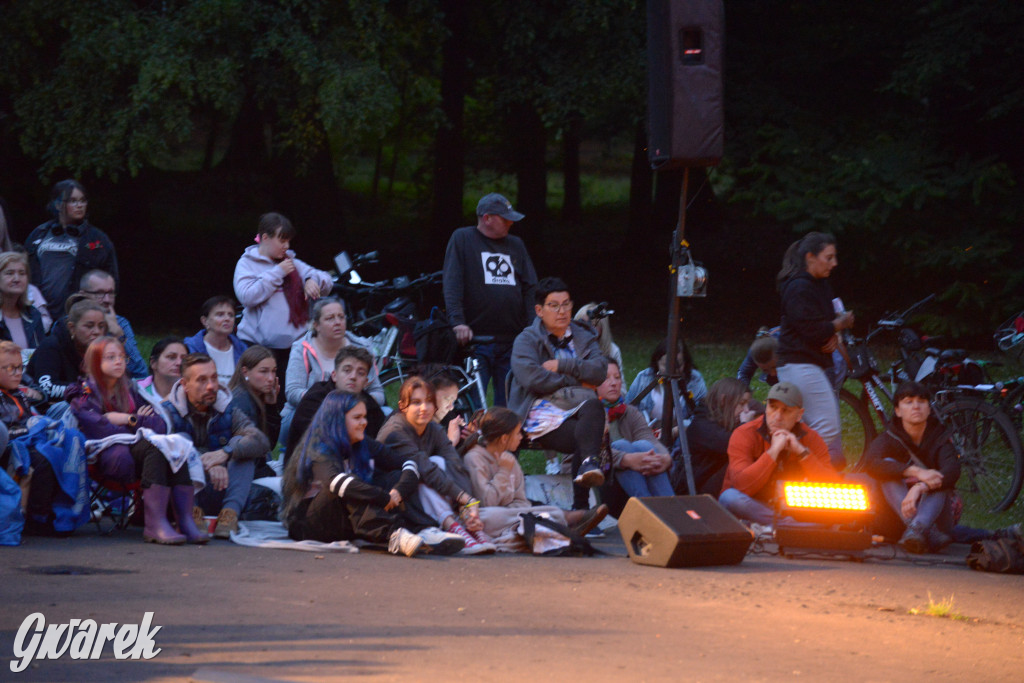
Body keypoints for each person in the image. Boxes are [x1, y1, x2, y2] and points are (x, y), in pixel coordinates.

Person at [281, 390, 464, 556]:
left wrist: (397, 491)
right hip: (311, 524)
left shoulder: (362, 443)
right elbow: (335, 482)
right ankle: (393, 535)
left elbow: (409, 465)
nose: (364, 423)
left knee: (392, 477)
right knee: (350, 485)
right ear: (338, 419)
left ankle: (422, 530)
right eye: (357, 417)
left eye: (365, 417)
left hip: (346, 521)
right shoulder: (320, 448)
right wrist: (383, 497)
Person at [508, 277, 608, 511]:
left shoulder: (583, 334)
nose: (562, 311)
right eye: (554, 305)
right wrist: (577, 382)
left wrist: (563, 366)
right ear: (539, 310)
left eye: (566, 304)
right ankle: (582, 507)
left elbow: (599, 371)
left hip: (579, 410)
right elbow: (533, 379)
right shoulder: (526, 340)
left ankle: (587, 471)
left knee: (592, 410)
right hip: (540, 415)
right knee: (589, 432)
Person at [463, 407, 609, 551]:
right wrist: (503, 471)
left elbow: (521, 500)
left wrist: (516, 512)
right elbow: (486, 502)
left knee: (551, 510)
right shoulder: (475, 458)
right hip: (486, 515)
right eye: (517, 433)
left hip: (509, 516)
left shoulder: (508, 459)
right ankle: (564, 523)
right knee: (490, 516)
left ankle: (551, 525)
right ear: (504, 439)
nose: (521, 437)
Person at [443, 192, 537, 407]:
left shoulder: (516, 245)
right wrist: (457, 322)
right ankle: (473, 439)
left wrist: (532, 326)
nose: (510, 223)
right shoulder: (463, 239)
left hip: (513, 339)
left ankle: (505, 440)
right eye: (505, 219)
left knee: (510, 403)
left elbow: (530, 287)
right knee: (475, 405)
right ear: (487, 218)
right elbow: (452, 283)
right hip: (477, 340)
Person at [162, 353, 270, 539]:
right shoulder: (167, 411)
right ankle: (190, 513)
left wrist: (226, 453)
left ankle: (230, 515)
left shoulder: (227, 407)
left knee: (241, 446)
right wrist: (208, 463)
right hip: (184, 493)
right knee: (179, 440)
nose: (211, 386)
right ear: (185, 385)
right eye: (202, 380)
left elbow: (260, 441)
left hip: (223, 486)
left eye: (214, 378)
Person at [376, 377, 490, 553]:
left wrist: (466, 506)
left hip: (419, 491)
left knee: (440, 462)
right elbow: (424, 468)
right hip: (392, 496)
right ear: (403, 406)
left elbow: (455, 464)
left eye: (429, 401)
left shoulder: (434, 429)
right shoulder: (395, 432)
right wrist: (465, 498)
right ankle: (453, 526)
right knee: (422, 470)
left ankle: (466, 524)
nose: (424, 408)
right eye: (416, 402)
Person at [775, 232, 855, 469]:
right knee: (827, 426)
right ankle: (802, 470)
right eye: (828, 258)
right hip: (799, 365)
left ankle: (796, 468)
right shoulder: (798, 287)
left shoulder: (818, 285)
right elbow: (810, 327)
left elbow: (820, 324)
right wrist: (838, 325)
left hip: (810, 363)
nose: (834, 263)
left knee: (811, 424)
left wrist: (831, 334)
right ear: (810, 257)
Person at [233, 212, 333, 396]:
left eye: (288, 241)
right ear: (265, 238)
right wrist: (277, 273)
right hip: (257, 347)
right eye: (282, 240)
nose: (286, 246)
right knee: (257, 397)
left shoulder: (290, 262)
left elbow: (326, 279)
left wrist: (312, 279)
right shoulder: (247, 264)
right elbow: (247, 296)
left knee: (285, 398)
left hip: (293, 349)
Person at [718, 382, 837, 528]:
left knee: (837, 509)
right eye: (773, 408)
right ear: (766, 407)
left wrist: (802, 453)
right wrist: (773, 451)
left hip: (792, 509)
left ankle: (780, 526)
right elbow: (742, 486)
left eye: (786, 411)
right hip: (752, 506)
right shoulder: (744, 433)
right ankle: (789, 527)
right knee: (730, 497)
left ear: (799, 415)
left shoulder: (811, 438)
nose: (777, 417)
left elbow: (832, 489)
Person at [861, 381, 961, 553]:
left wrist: (920, 487)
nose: (916, 407)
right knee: (889, 466)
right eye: (909, 402)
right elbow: (871, 463)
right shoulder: (889, 437)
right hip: (895, 519)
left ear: (929, 409)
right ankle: (923, 531)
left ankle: (918, 528)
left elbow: (952, 471)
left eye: (921, 402)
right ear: (898, 411)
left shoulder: (940, 436)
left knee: (937, 477)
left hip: (938, 519)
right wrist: (916, 471)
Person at [282, 297, 383, 447]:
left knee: (386, 414)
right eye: (330, 318)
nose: (337, 322)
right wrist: (333, 404)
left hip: (356, 411)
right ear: (316, 325)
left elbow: (378, 392)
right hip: (308, 413)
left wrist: (355, 404)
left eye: (341, 317)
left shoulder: (362, 347)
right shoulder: (301, 349)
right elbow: (293, 392)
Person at [67, 336, 167, 484]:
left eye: (122, 356)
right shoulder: (82, 393)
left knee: (172, 448)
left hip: (135, 446)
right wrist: (136, 424)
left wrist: (127, 419)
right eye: (111, 357)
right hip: (100, 455)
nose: (119, 361)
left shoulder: (131, 389)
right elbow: (98, 429)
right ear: (95, 361)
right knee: (121, 457)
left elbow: (159, 425)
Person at [25, 179, 118, 320]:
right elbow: (24, 270)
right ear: (57, 204)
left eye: (82, 200)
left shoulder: (97, 239)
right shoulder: (39, 233)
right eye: (73, 201)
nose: (79, 205)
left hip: (77, 313)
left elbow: (111, 278)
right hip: (39, 310)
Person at [284, 346, 386, 466]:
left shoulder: (370, 406)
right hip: (312, 469)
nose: (353, 377)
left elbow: (381, 444)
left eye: (360, 373)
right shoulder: (315, 399)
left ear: (366, 382)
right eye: (347, 370)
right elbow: (315, 443)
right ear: (334, 375)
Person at [595, 360, 674, 501]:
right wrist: (626, 459)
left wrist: (665, 457)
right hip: (597, 482)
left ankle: (668, 504)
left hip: (632, 481)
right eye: (606, 378)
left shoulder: (629, 412)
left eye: (617, 377)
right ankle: (650, 508)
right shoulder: (588, 413)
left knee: (645, 446)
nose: (613, 383)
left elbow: (649, 439)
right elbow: (591, 453)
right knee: (622, 445)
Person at [686, 378, 758, 497]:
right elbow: (734, 445)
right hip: (698, 491)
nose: (746, 410)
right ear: (723, 400)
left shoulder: (726, 420)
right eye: (742, 403)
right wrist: (745, 425)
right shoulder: (702, 425)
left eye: (747, 404)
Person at [26, 298, 107, 404]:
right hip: (48, 410)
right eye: (89, 326)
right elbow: (46, 389)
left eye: (101, 326)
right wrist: (86, 389)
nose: (97, 332)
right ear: (72, 328)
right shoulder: (51, 346)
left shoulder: (104, 348)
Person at [76, 269, 147, 379]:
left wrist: (119, 336)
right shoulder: (69, 323)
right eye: (99, 293)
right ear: (82, 295)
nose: (107, 300)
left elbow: (140, 373)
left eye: (111, 293)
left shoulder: (120, 323)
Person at [625, 338, 707, 431]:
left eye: (678, 365)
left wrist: (677, 430)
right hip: (647, 435)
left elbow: (702, 417)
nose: (671, 371)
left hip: (682, 435)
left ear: (685, 362)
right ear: (657, 362)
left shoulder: (695, 380)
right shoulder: (644, 378)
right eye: (666, 365)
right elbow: (627, 410)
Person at [184, 295, 249, 387]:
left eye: (231, 315)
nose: (227, 319)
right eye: (220, 314)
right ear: (205, 321)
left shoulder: (243, 350)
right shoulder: (189, 348)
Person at [227, 345, 282, 451]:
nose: (271, 378)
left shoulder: (256, 396)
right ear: (245, 372)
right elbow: (259, 448)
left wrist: (271, 406)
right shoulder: (240, 401)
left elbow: (269, 445)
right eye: (263, 371)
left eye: (273, 371)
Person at [0, 251, 46, 351]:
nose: (17, 279)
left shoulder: (33, 314)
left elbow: (42, 354)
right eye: (9, 273)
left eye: (22, 273)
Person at [138, 337, 188, 402]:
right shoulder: (135, 390)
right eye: (171, 357)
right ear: (153, 363)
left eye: (184, 359)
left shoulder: (192, 393)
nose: (179, 363)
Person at [574, 303, 623, 369]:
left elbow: (618, 377)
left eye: (594, 324)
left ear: (603, 328)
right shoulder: (569, 348)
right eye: (582, 324)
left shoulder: (613, 351)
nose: (588, 328)